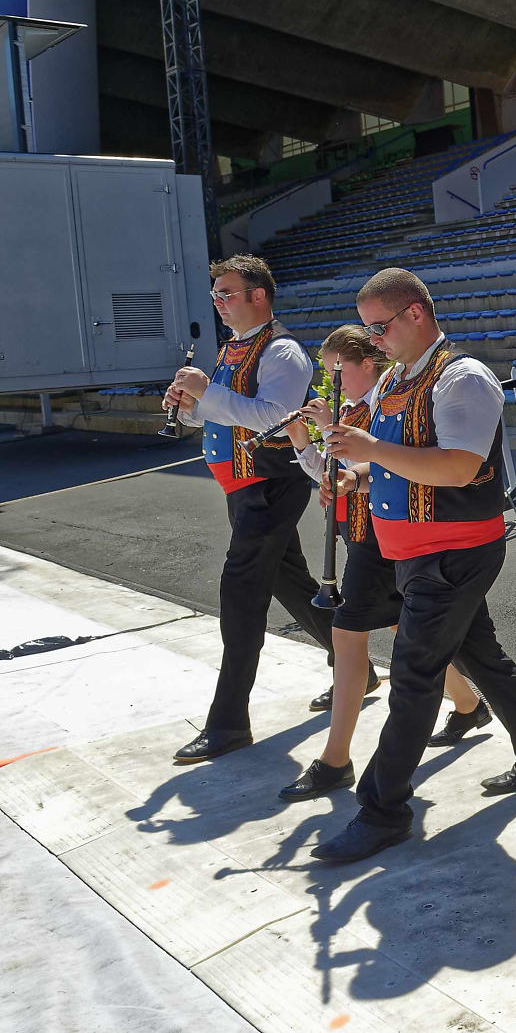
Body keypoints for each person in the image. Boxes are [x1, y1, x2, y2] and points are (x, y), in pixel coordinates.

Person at [311, 268, 516, 863]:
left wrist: (372, 451)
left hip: (451, 551)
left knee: (414, 674)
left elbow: (457, 466)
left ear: (416, 314)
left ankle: (383, 808)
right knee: (481, 656)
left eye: (380, 326)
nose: (373, 340)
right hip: (417, 553)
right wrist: (356, 471)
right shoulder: (399, 377)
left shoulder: (462, 377)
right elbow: (396, 460)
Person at [276, 326, 489, 802]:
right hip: (367, 534)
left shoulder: (385, 400)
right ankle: (470, 704)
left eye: (338, 372)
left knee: (355, 635)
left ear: (366, 364)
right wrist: (303, 442)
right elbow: (335, 472)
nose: (330, 384)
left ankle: (338, 761)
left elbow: (399, 464)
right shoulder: (361, 405)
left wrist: (349, 450)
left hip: (386, 536)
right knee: (406, 636)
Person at [164, 255, 338, 764]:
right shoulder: (233, 349)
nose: (218, 302)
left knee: (240, 595)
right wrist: (189, 404)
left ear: (258, 295)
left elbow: (275, 418)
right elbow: (216, 418)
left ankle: (228, 723)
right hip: (242, 488)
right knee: (290, 581)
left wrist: (207, 392)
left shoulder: (281, 350)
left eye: (227, 293)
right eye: (216, 294)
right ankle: (355, 666)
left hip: (268, 485)